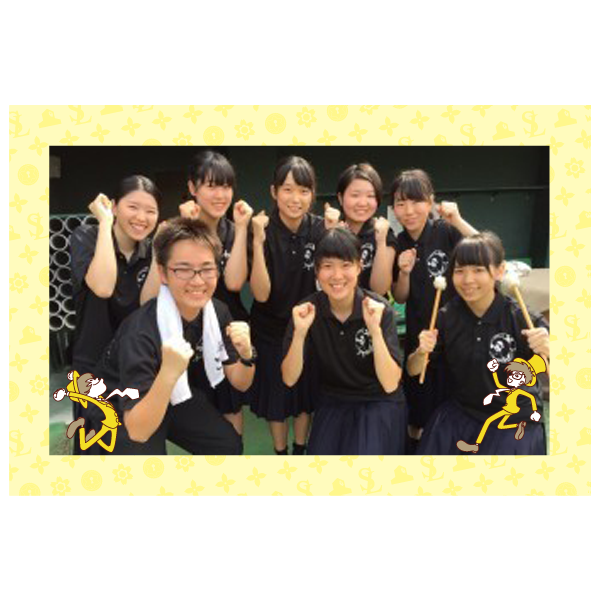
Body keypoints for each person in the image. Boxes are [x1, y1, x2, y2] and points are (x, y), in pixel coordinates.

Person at [94, 217, 254, 455]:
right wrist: (168, 373)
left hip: (174, 392)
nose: (197, 280)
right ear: (163, 273)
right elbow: (138, 430)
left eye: (207, 269)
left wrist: (247, 354)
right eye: (183, 269)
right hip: (119, 405)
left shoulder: (217, 312)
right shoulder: (140, 331)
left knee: (227, 445)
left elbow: (241, 382)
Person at [406, 232, 550, 455]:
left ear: (499, 271)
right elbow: (414, 370)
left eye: (478, 270)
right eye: (460, 271)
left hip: (514, 419)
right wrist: (420, 352)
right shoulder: (446, 316)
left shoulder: (520, 317)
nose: (468, 280)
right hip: (462, 413)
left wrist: (549, 349)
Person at [144, 151, 252, 435]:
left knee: (230, 408)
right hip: (185, 332)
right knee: (191, 413)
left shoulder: (235, 230)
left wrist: (242, 229)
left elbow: (234, 283)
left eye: (226, 186)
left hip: (226, 330)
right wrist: (181, 229)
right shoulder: (173, 230)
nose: (220, 195)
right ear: (193, 188)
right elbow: (151, 296)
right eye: (211, 186)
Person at [282, 228, 405, 454]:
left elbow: (390, 384)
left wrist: (375, 331)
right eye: (328, 266)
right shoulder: (307, 311)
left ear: (359, 267)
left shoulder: (379, 309)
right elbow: (289, 379)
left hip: (378, 401)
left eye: (346, 265)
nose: (337, 275)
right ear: (316, 271)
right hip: (333, 400)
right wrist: (300, 333)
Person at [249, 155, 340, 454]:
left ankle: (300, 450)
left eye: (303, 190)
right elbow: (260, 294)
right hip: (269, 331)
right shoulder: (262, 229)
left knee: (304, 398)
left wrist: (332, 235)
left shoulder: (319, 228)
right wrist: (257, 242)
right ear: (274, 192)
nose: (295, 198)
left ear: (312, 195)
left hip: (308, 329)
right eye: (287, 190)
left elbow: (329, 283)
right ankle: (281, 452)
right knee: (276, 401)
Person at [69, 175, 160, 453]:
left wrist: (159, 250)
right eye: (133, 207)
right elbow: (103, 286)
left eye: (151, 211)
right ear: (115, 206)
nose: (142, 217)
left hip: (134, 364)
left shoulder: (151, 249)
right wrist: (105, 223)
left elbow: (149, 302)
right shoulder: (87, 236)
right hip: (91, 364)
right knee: (93, 449)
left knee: (134, 448)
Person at [391, 168, 477, 451]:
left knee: (454, 407)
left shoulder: (447, 231)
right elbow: (400, 296)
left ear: (430, 201)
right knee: (418, 409)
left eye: (416, 201)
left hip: (456, 335)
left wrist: (458, 220)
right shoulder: (398, 242)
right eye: (400, 203)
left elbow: (486, 251)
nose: (409, 211)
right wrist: (404, 272)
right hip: (420, 338)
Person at [336, 163, 396, 294]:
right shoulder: (332, 231)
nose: (363, 203)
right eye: (355, 195)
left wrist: (381, 242)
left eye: (370, 196)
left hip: (373, 305)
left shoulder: (384, 232)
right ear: (340, 198)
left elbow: (380, 289)